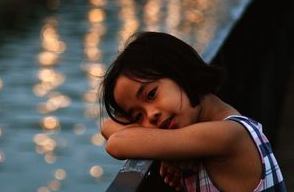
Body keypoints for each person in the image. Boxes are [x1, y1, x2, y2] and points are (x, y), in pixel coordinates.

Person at [100, 31, 286, 191]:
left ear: (179, 70)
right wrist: (166, 150)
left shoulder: (227, 135)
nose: (151, 115)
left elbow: (116, 143)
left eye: (151, 94)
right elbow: (108, 126)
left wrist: (161, 148)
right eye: (138, 116)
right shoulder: (219, 124)